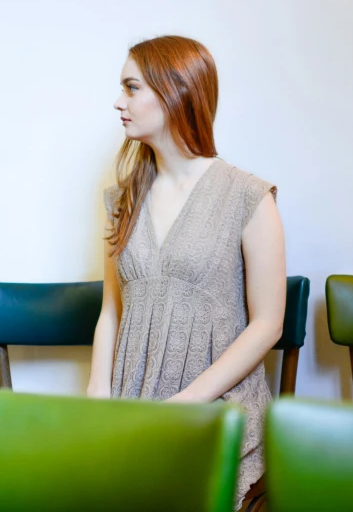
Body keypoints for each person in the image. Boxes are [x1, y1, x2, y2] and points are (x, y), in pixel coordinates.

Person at [87, 35, 286, 510]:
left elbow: (268, 323)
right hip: (132, 405)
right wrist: (97, 390)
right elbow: (111, 311)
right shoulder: (124, 199)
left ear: (175, 91)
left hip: (213, 408)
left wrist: (189, 402)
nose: (119, 102)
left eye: (131, 88)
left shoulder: (247, 197)